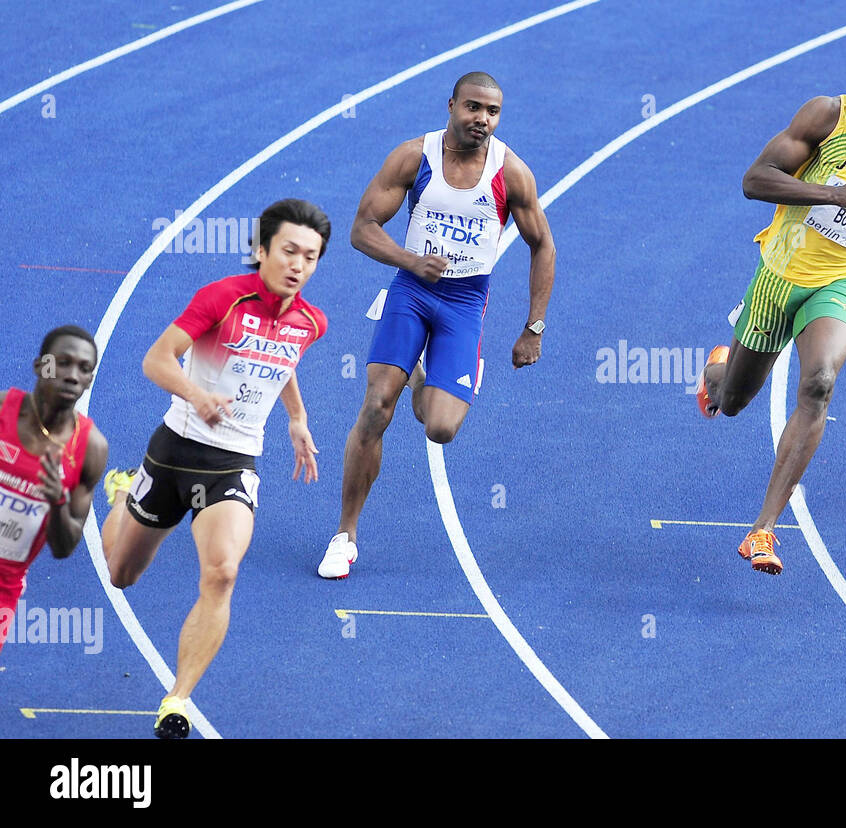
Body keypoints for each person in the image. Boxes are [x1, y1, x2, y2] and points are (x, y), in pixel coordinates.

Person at [696, 43, 846, 575]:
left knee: (820, 383)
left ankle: (763, 530)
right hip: (781, 275)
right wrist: (836, 196)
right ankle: (718, 370)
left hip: (840, 282)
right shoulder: (825, 117)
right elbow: (754, 179)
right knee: (733, 401)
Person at [100, 198, 329, 738]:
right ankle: (122, 492)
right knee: (120, 574)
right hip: (176, 447)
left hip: (233, 463)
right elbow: (156, 359)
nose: (298, 265)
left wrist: (296, 417)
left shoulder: (310, 322)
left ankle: (177, 700)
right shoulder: (221, 299)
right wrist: (196, 393)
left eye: (311, 257)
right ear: (262, 251)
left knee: (222, 570)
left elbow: (282, 363)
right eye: (289, 251)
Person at [317, 71, 556, 580]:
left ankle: (425, 373)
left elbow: (544, 246)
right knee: (378, 406)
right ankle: (345, 535)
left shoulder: (512, 174)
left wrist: (533, 327)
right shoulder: (413, 158)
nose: (482, 120)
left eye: (492, 112)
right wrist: (410, 260)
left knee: (440, 428)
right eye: (473, 108)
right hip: (410, 292)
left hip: (466, 303)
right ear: (450, 105)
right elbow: (361, 228)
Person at [0, 327, 108, 654]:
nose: (73, 376)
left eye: (84, 369)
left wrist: (58, 502)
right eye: (62, 363)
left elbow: (63, 549)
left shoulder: (90, 448)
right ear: (40, 366)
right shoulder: (3, 410)